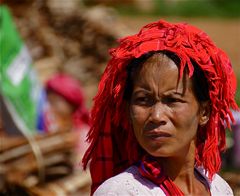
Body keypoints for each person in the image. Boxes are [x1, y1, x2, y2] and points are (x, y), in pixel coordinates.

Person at [82, 20, 239, 195]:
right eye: (143, 100)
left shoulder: (219, 189)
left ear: (204, 112)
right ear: (127, 110)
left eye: (172, 100)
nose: (156, 116)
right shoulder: (121, 192)